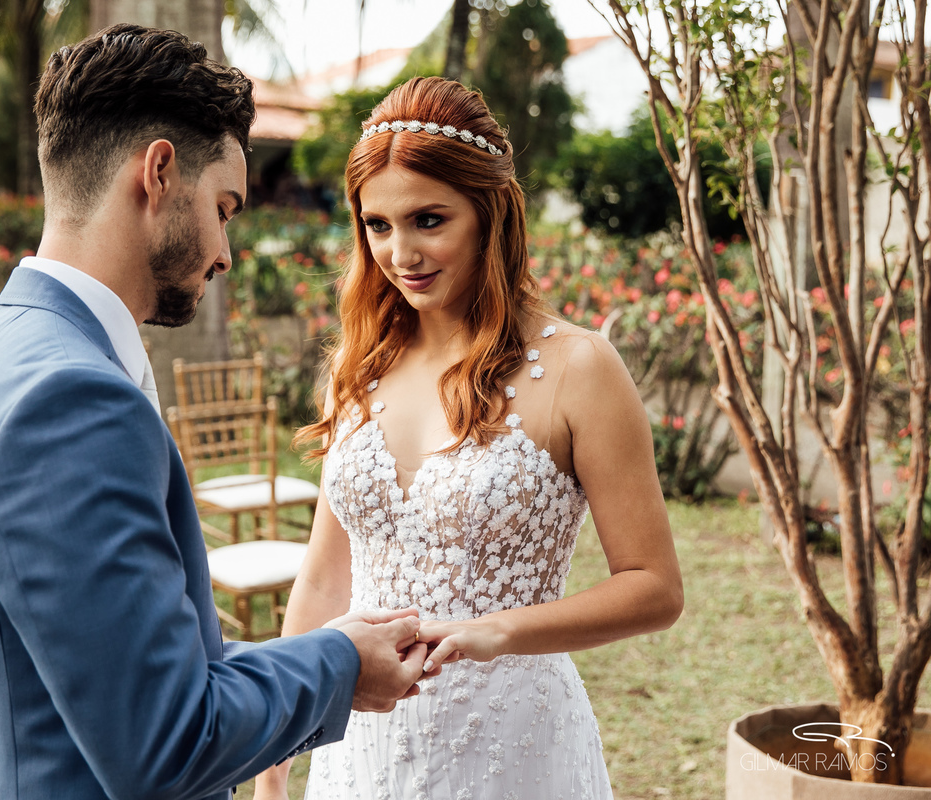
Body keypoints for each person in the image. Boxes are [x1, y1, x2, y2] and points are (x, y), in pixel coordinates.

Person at [0, 25, 433, 800]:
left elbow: (118, 669)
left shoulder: (1, 351)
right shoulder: (71, 404)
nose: (226, 252)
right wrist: (340, 664)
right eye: (224, 208)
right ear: (158, 172)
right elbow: (163, 742)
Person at [254, 77, 685, 799]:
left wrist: (501, 631)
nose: (401, 254)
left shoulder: (579, 368)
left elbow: (654, 588)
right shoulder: (357, 368)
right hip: (361, 743)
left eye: (429, 220)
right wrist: (277, 754)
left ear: (490, 215)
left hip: (510, 740)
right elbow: (327, 577)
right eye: (378, 225)